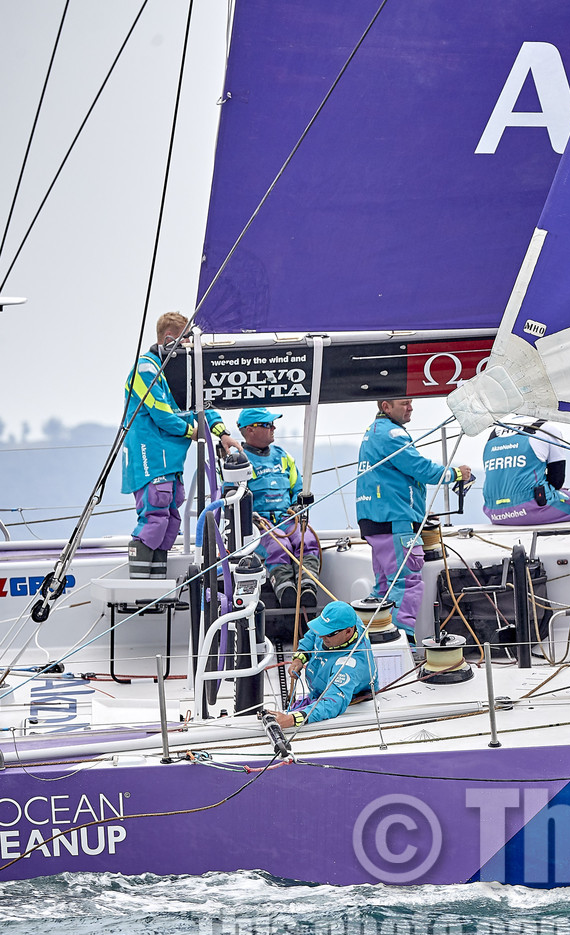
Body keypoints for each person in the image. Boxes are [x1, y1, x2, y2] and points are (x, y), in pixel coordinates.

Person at [121, 311, 239, 578]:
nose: (190, 345)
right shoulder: (145, 369)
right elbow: (161, 414)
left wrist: (221, 433)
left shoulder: (176, 372)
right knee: (154, 516)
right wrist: (192, 432)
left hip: (171, 461)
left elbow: (202, 406)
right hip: (150, 458)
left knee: (171, 520)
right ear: (171, 339)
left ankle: (157, 583)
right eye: (187, 339)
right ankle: (142, 587)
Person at [355, 398, 473, 639]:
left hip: (376, 522)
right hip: (395, 523)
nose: (410, 408)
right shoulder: (392, 434)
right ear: (386, 406)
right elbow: (421, 469)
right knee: (406, 584)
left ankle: (384, 644)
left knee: (384, 587)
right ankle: (402, 644)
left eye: (410, 403)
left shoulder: (373, 432)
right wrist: (455, 474)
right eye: (404, 403)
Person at [236, 407, 322, 607]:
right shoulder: (238, 460)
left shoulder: (283, 456)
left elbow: (297, 487)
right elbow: (233, 499)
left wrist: (298, 505)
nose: (273, 427)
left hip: (287, 519)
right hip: (260, 527)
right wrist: (252, 518)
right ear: (250, 430)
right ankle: (285, 592)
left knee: (307, 540)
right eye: (267, 424)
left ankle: (308, 586)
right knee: (278, 548)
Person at [266, 601, 378, 729]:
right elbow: (313, 634)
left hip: (345, 698)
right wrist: (299, 658)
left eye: (328, 633)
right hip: (318, 690)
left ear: (348, 632)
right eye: (321, 628)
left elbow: (333, 702)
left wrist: (292, 719)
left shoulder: (350, 666)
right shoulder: (345, 623)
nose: (320, 635)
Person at [481, 421, 570, 525]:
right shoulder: (547, 429)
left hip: (494, 513)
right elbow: (557, 480)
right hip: (530, 510)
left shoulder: (494, 432)